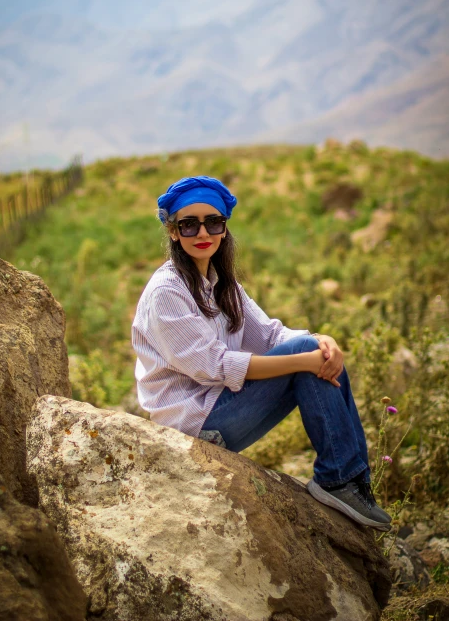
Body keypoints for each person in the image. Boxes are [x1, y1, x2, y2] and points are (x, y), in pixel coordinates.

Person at [131, 175, 391, 531]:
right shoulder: (167, 292)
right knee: (307, 356)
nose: (203, 233)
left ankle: (353, 481)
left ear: (224, 228)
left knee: (315, 351)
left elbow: (269, 334)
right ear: (174, 232)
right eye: (189, 225)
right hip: (193, 428)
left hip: (221, 409)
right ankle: (337, 479)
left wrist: (321, 340)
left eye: (214, 222)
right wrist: (304, 359)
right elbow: (214, 365)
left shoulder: (223, 285)